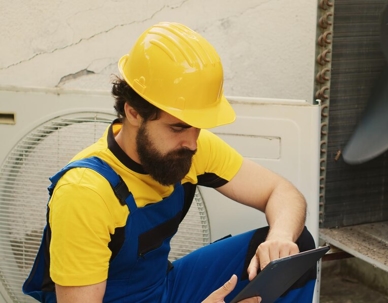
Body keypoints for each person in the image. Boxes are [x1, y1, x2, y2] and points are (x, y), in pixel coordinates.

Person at [22, 22, 317, 303]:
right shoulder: (85, 194)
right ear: (134, 112)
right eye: (177, 127)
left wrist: (279, 238)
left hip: (163, 288)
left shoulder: (189, 148)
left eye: (198, 126)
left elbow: (282, 192)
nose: (192, 142)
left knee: (292, 253)